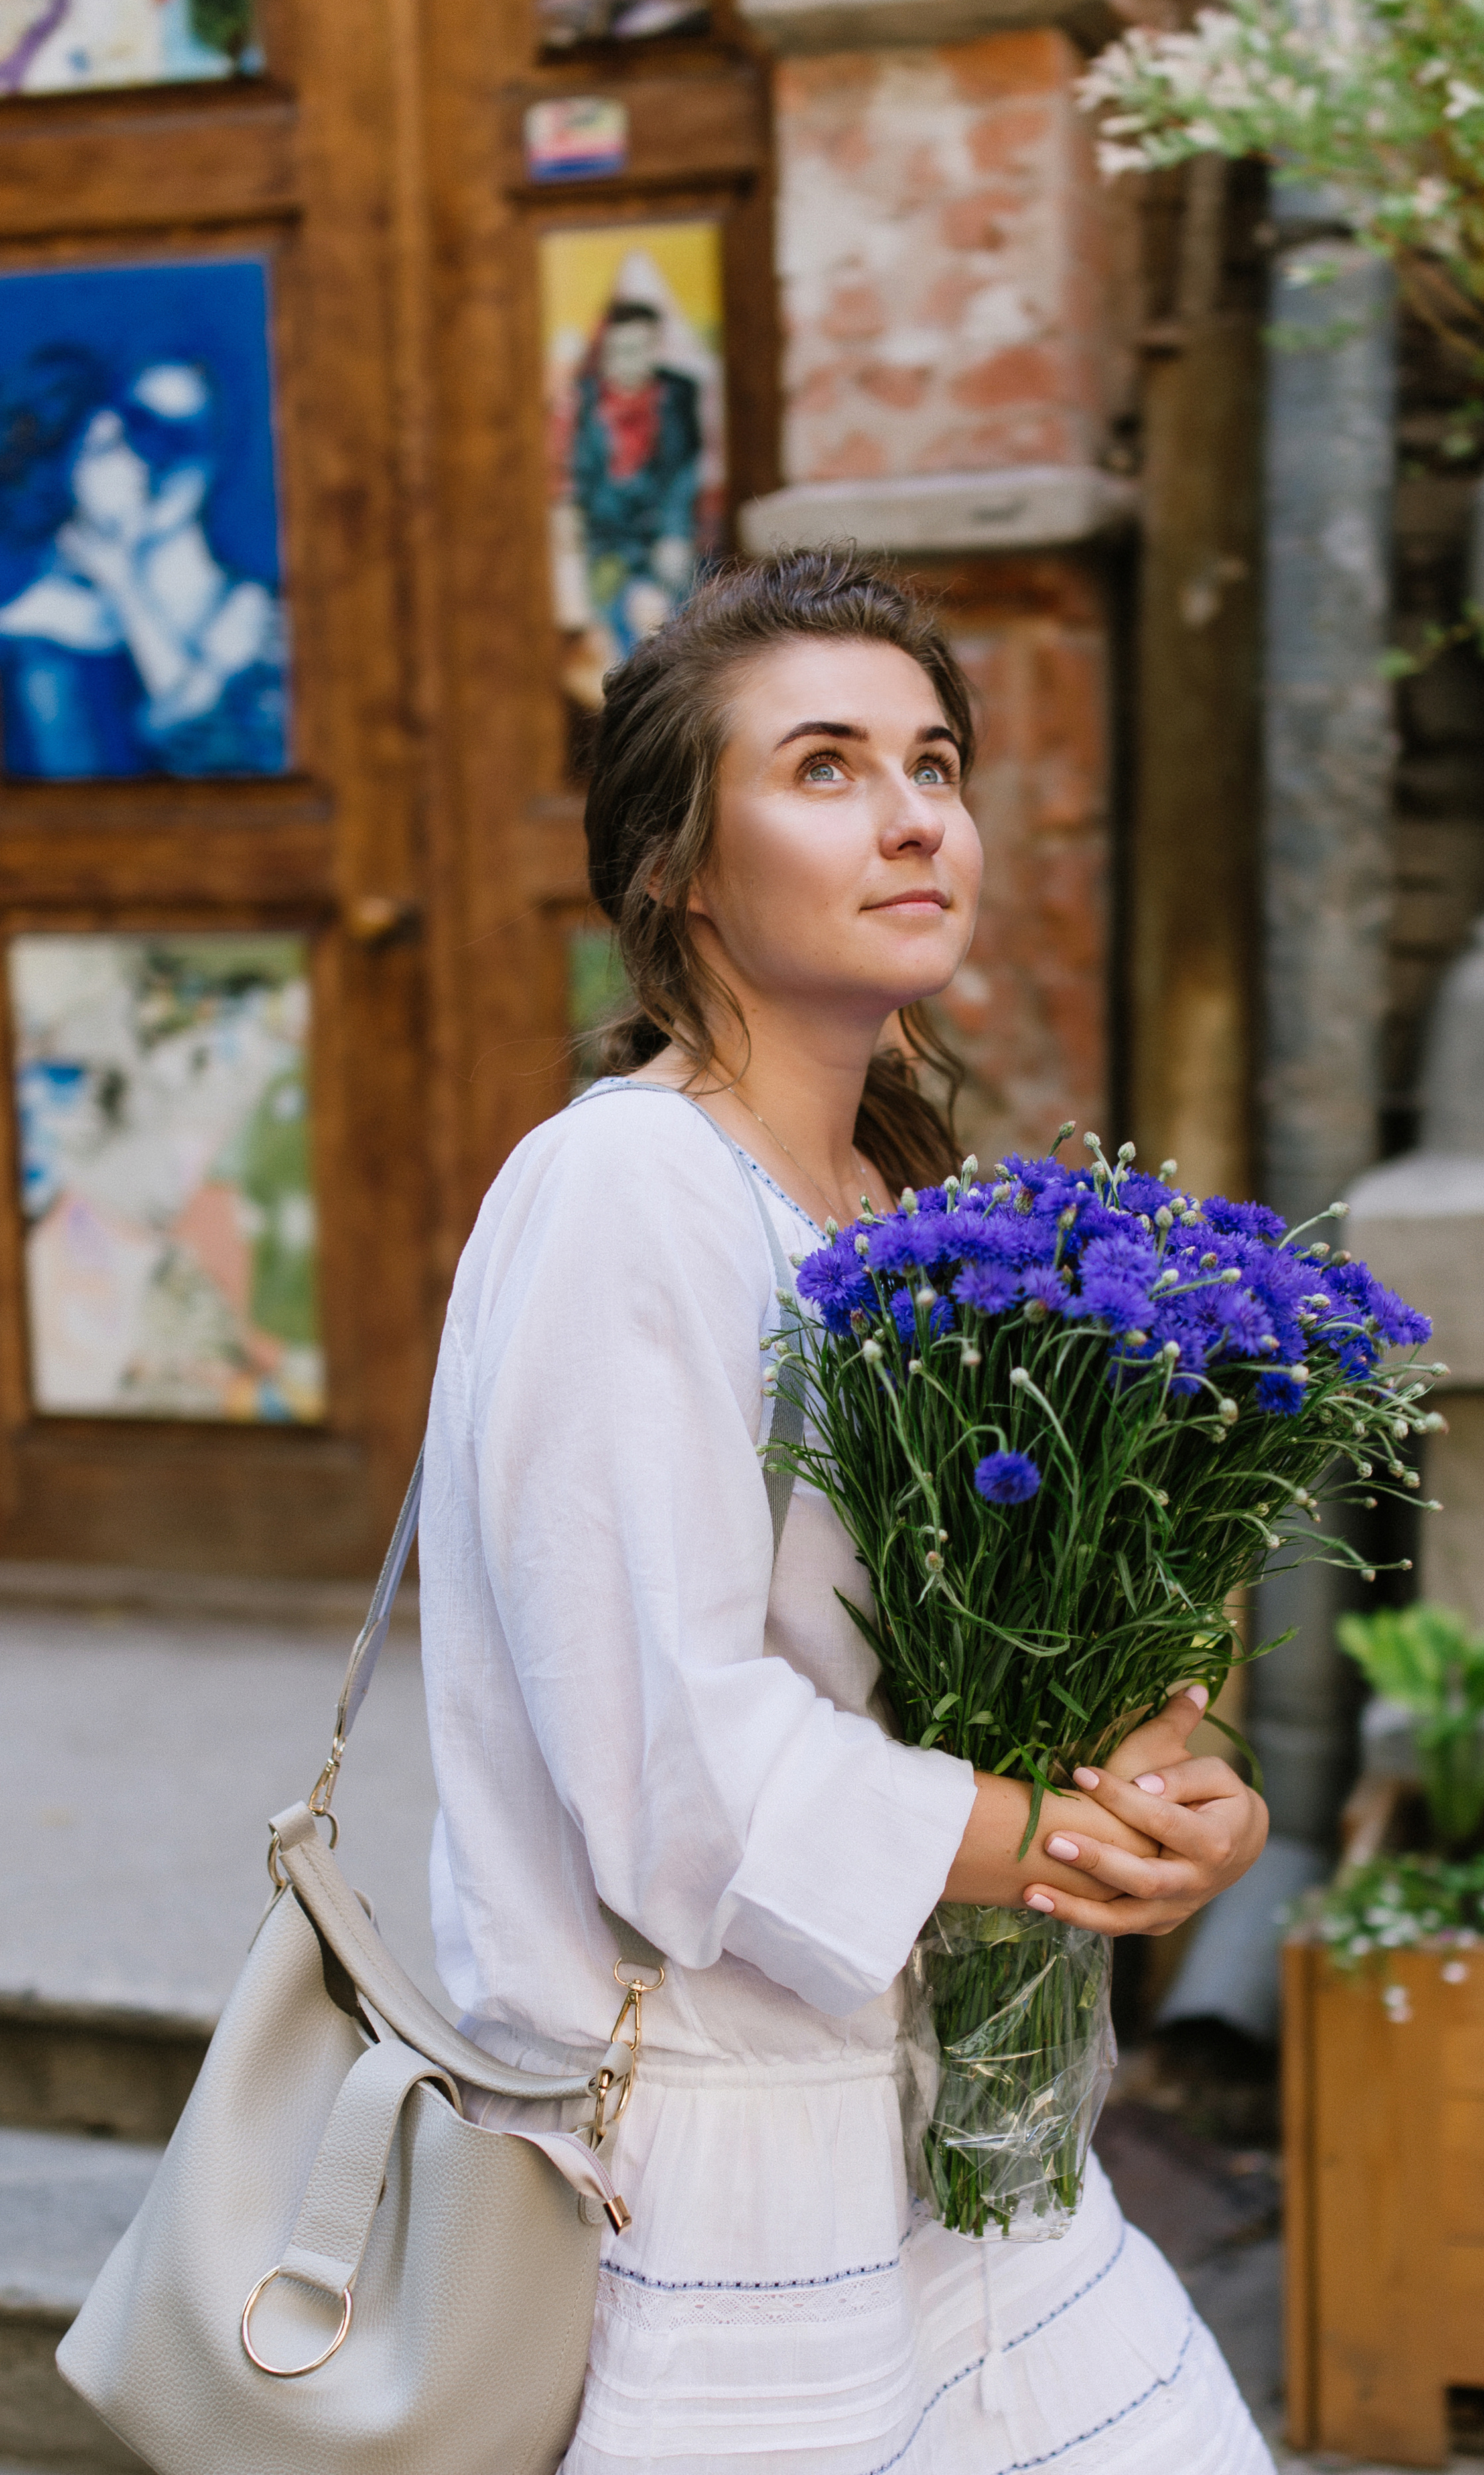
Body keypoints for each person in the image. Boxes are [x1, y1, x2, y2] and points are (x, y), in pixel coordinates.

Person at [419, 550, 1276, 2475]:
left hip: (980, 2129)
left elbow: (1032, 1641)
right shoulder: (627, 1191)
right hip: (728, 2175)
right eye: (824, 766)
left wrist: (1169, 1778)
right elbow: (672, 1767)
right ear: (681, 869)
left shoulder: (915, 1213)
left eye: (936, 762)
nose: (912, 816)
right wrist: (1060, 1850)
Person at [0, 345, 286, 778]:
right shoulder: (46, 640)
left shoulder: (259, 616)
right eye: (139, 429)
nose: (153, 461)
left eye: (182, 437)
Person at [572, 296, 702, 660]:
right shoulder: (584, 401)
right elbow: (580, 483)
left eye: (641, 348)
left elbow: (685, 470)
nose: (630, 362)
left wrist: (675, 535)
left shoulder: (678, 394)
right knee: (616, 639)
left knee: (674, 633)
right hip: (607, 541)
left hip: (665, 536)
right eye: (619, 351)